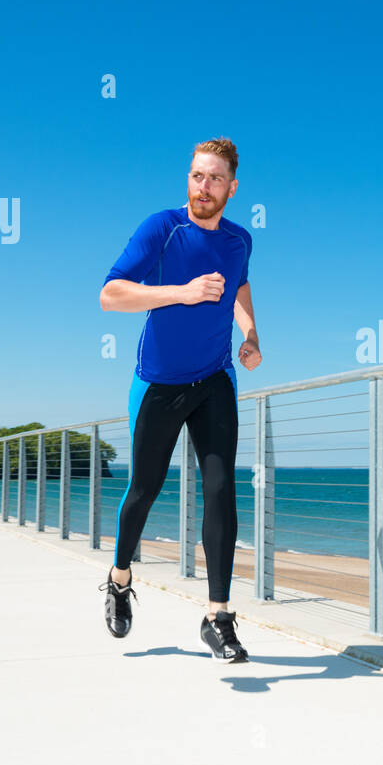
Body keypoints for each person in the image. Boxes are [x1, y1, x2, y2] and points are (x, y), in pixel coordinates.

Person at [97, 137, 261, 663]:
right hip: (159, 382)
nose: (203, 187)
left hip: (214, 378)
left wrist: (251, 333)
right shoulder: (162, 229)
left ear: (231, 188)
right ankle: (120, 579)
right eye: (196, 176)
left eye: (214, 179)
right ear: (187, 179)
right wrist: (182, 291)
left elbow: (239, 286)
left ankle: (218, 619)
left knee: (220, 490)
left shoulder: (240, 241)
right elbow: (111, 293)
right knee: (144, 489)